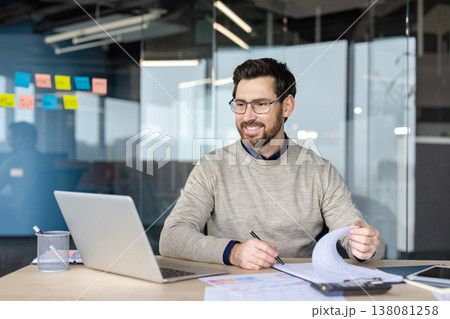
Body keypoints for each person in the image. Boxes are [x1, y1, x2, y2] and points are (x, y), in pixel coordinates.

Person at [159, 58, 384, 270]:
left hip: (300, 295)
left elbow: (357, 235)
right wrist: (233, 253)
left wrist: (365, 246)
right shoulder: (212, 167)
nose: (248, 116)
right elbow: (171, 237)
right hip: (231, 293)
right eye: (240, 104)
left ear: (287, 106)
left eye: (260, 104)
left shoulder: (320, 171)